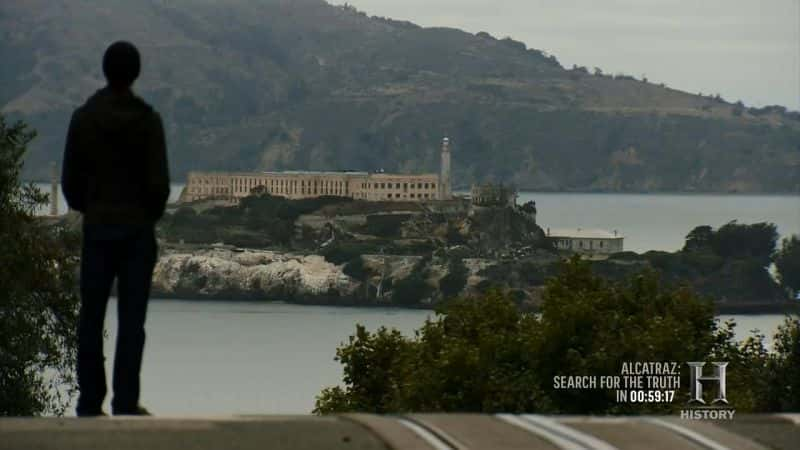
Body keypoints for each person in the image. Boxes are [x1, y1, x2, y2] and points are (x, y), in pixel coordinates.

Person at [62, 41, 170, 417]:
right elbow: (160, 186)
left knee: (90, 317)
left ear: (106, 70)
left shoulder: (83, 118)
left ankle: (89, 400)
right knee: (132, 321)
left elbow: (70, 184)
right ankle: (125, 400)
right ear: (135, 73)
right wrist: (144, 217)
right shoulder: (148, 120)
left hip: (98, 230)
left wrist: (91, 208)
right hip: (137, 233)